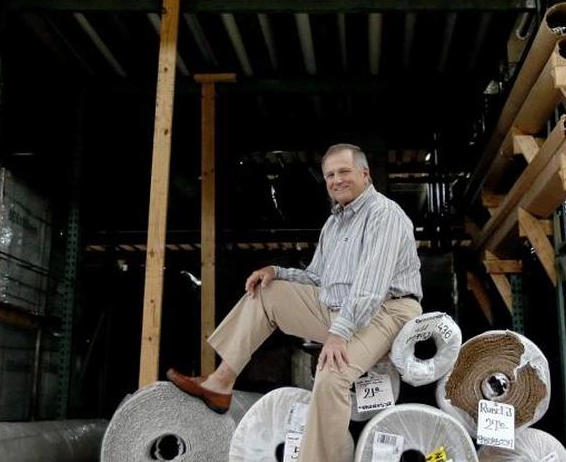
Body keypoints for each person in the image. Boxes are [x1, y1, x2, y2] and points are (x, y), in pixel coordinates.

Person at [166, 143, 423, 462]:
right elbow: (317, 278)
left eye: (344, 171)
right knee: (268, 292)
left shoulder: (384, 214)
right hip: (341, 307)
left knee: (332, 372)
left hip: (389, 311)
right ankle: (220, 383)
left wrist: (339, 334)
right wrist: (276, 271)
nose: (336, 180)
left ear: (365, 173)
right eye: (330, 175)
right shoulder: (334, 224)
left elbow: (371, 287)